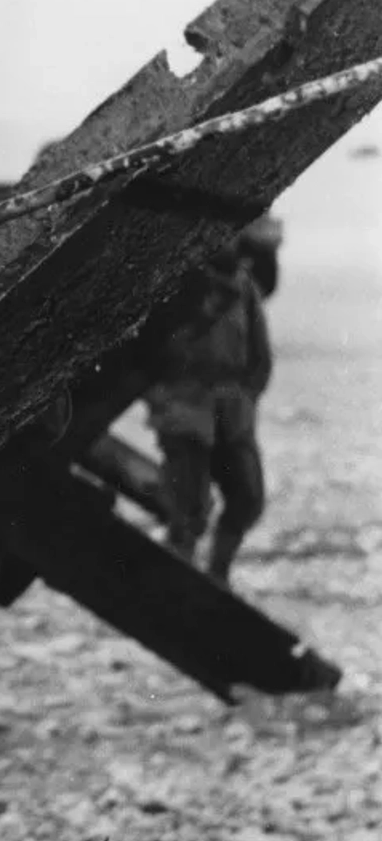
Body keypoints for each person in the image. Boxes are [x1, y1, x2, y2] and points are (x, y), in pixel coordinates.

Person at [142, 225, 275, 586]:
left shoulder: (244, 287)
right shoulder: (179, 282)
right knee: (189, 508)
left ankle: (218, 576)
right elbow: (155, 351)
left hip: (232, 409)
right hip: (184, 407)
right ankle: (177, 584)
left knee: (248, 497)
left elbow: (260, 357)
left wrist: (245, 398)